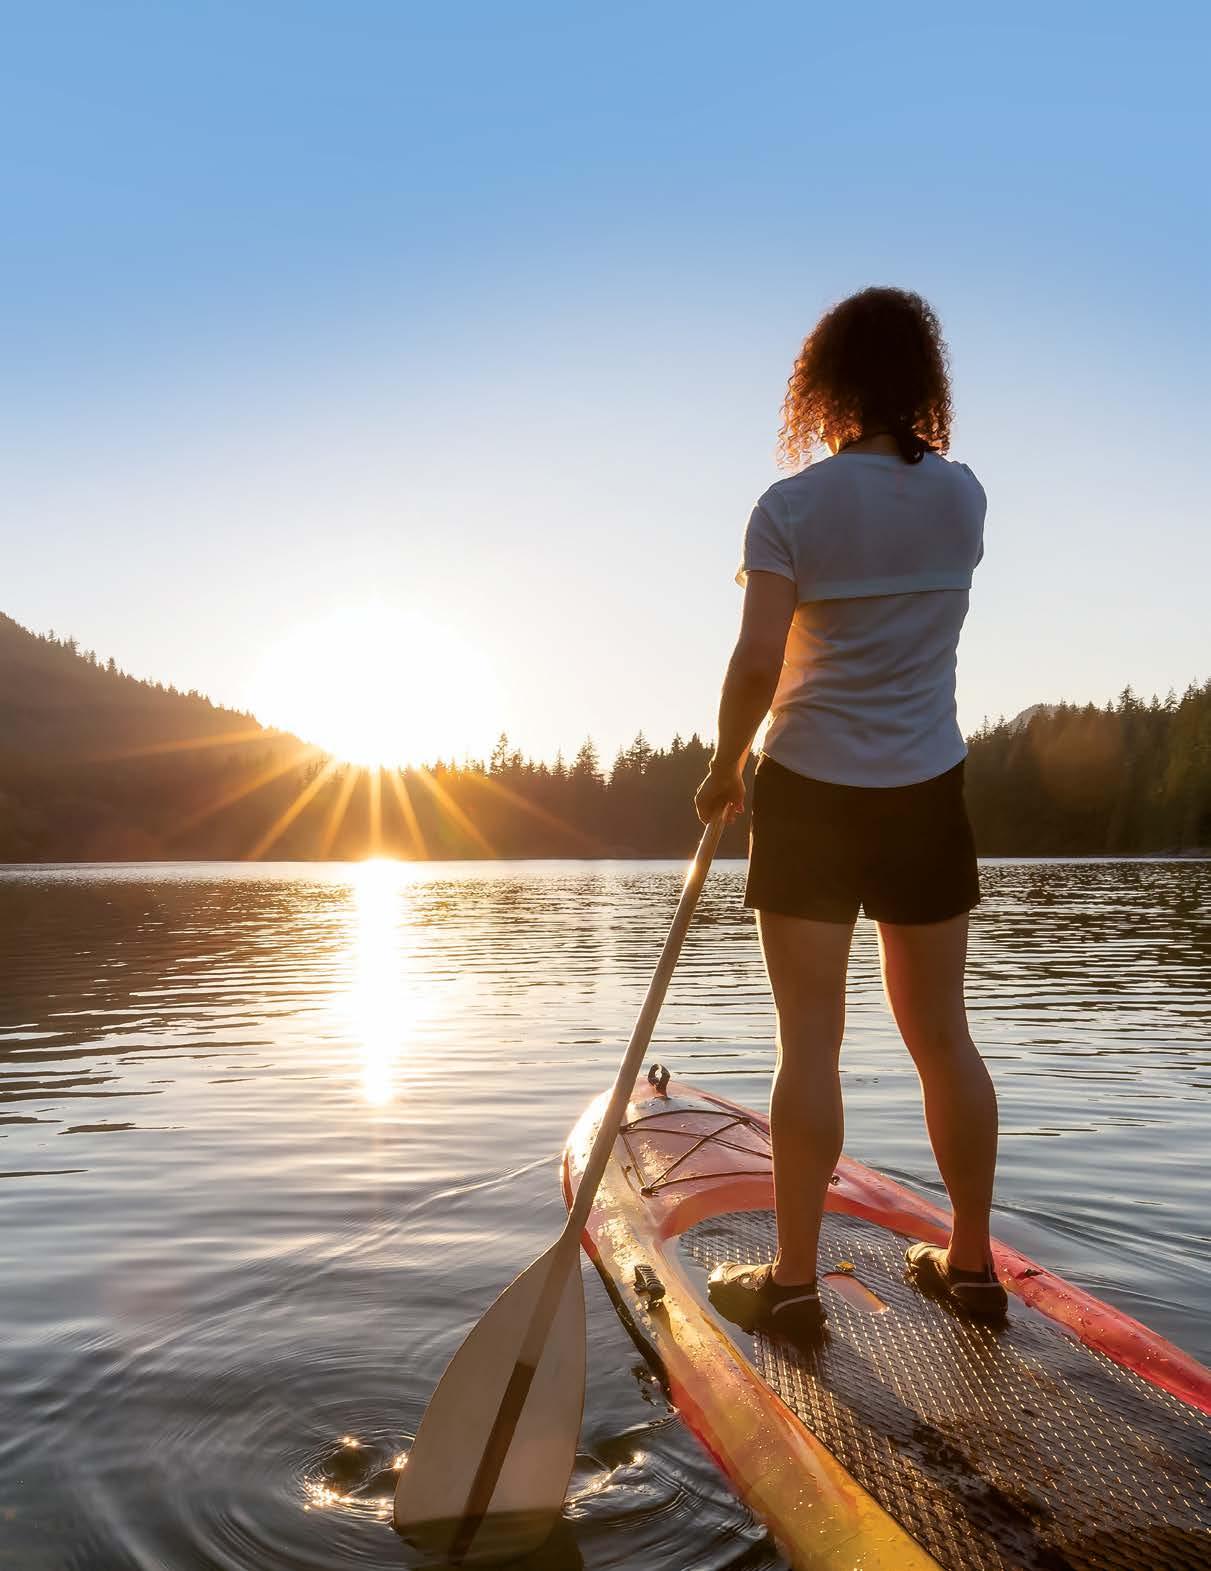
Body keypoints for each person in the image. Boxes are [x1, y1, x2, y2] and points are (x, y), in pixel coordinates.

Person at [694, 286, 1007, 1336]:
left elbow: (755, 660)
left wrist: (721, 766)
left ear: (821, 385)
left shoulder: (787, 508)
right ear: (920, 382)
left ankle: (792, 1283)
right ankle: (968, 1265)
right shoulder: (962, 498)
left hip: (812, 792)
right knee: (943, 1039)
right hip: (926, 790)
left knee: (809, 1045)